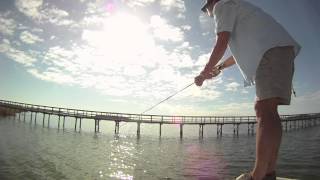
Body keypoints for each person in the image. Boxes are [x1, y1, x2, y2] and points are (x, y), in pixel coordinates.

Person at [195, 0, 301, 180]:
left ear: (211, 3)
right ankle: (268, 173)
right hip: (281, 50)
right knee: (269, 110)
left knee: (264, 109)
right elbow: (240, 52)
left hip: (271, 52)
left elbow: (222, 41)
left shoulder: (222, 5)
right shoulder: (237, 8)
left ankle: (258, 176)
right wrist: (218, 68)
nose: (208, 13)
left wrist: (204, 73)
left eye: (206, 9)